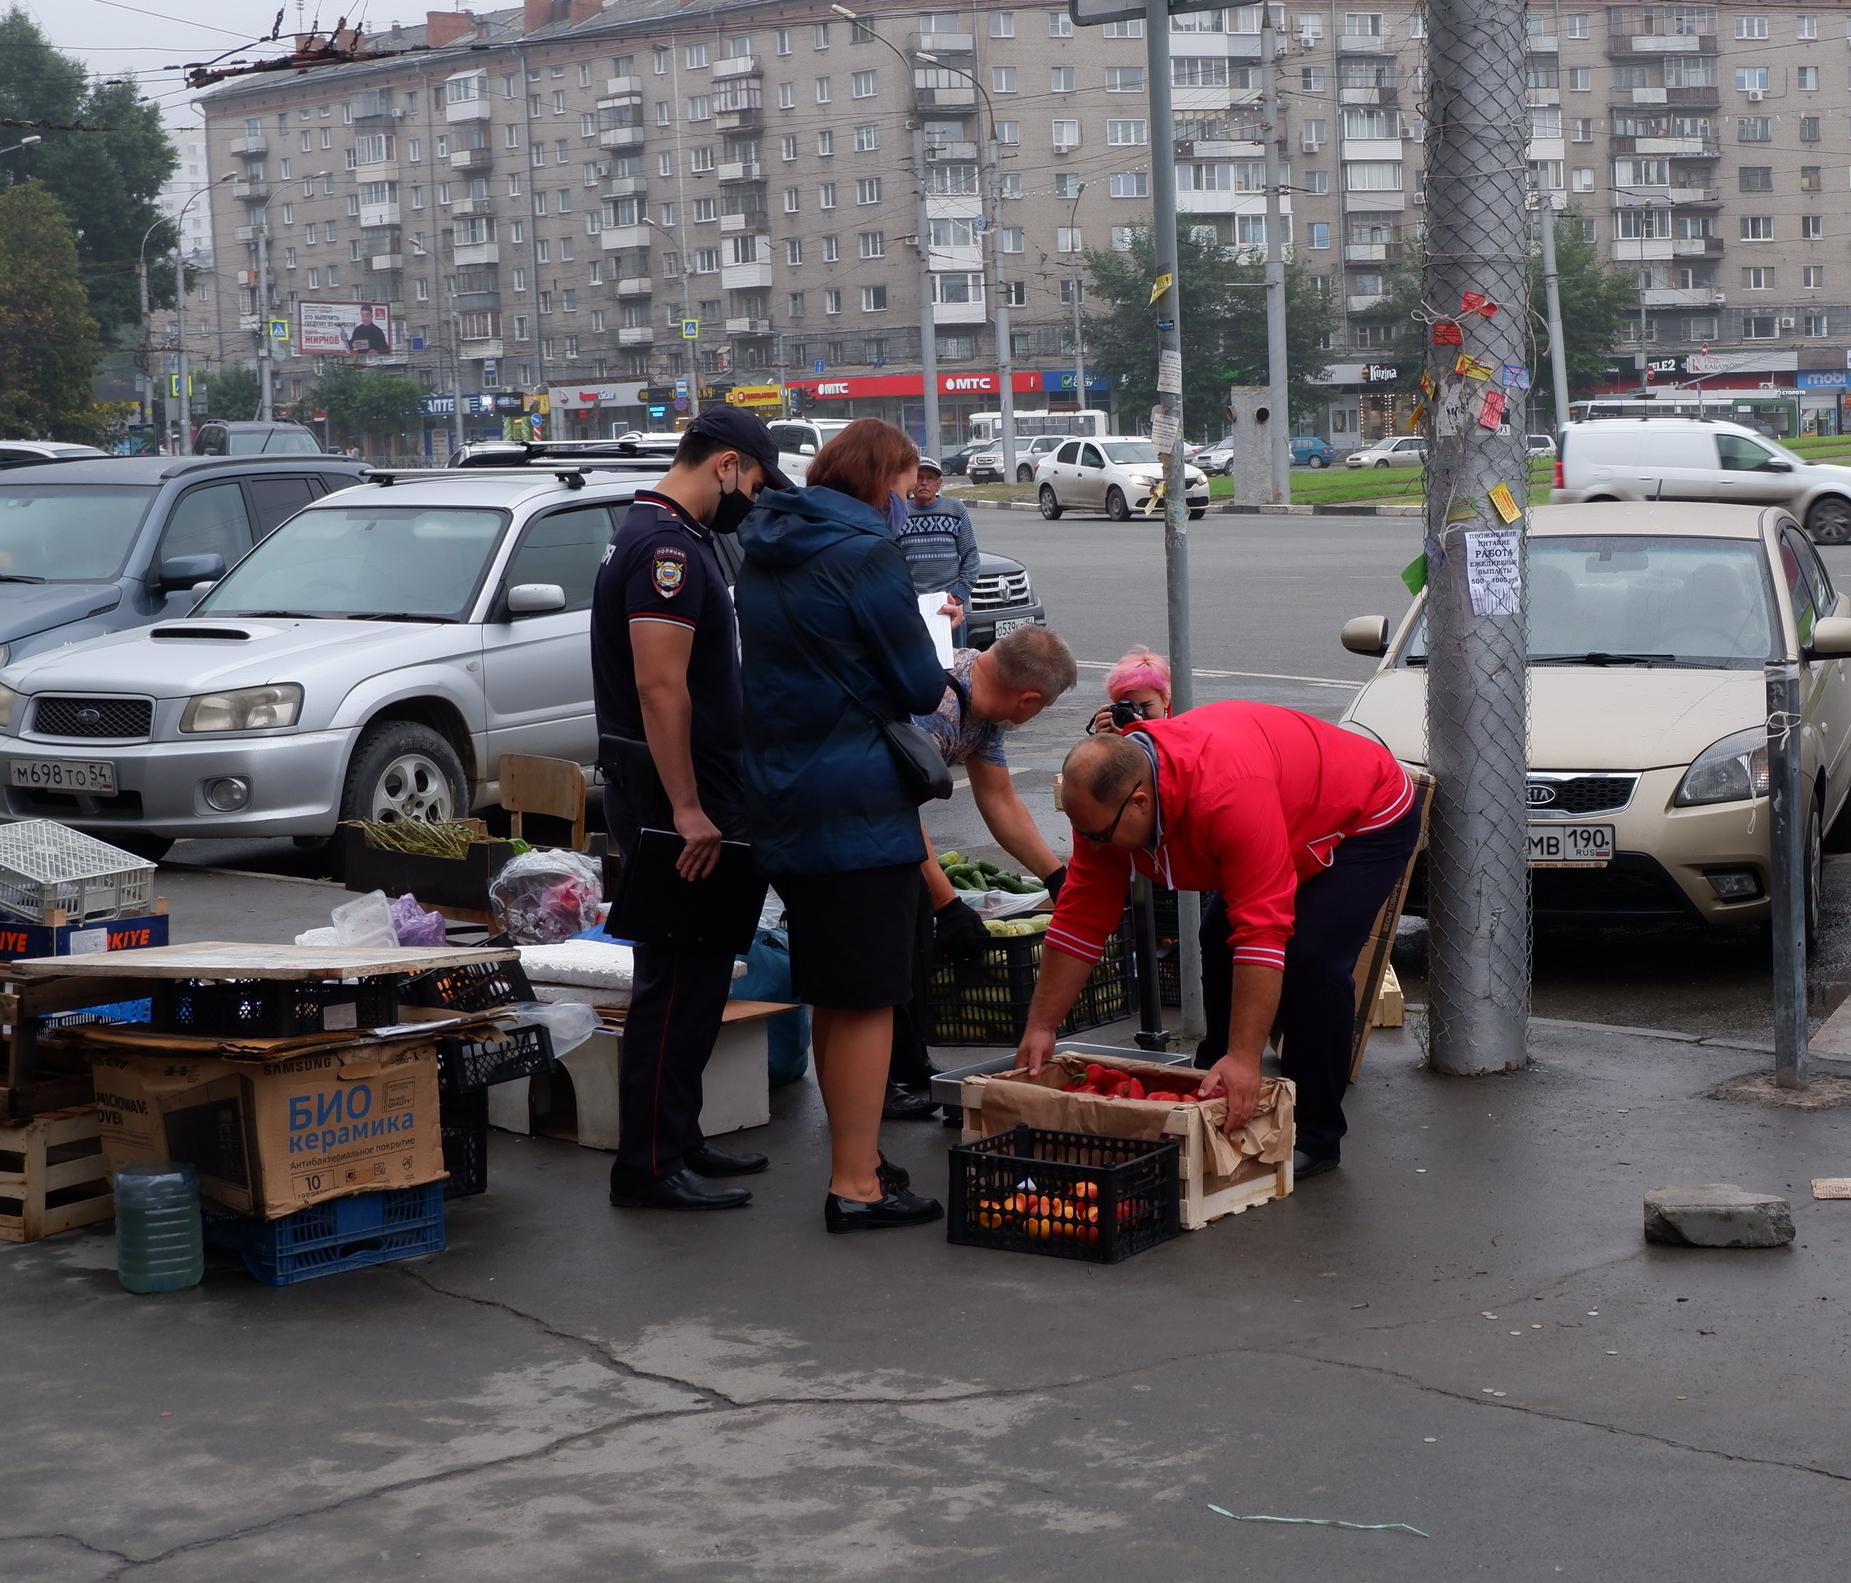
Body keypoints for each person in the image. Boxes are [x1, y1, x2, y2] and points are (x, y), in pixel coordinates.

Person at [1015, 702, 1420, 1180]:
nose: (1093, 844)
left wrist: (1248, 1058)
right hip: (1283, 807)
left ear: (1140, 802)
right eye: (1083, 832)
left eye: (1098, 835)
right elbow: (1081, 916)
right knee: (1217, 934)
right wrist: (1042, 1025)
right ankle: (1211, 1080)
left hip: (1363, 816)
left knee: (1311, 961)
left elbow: (1262, 933)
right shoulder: (1106, 809)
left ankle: (1315, 1131)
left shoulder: (1226, 796)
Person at [736, 418, 952, 1233]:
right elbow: (917, 681)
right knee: (867, 996)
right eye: (903, 485)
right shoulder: (865, 553)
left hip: (781, 791)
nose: (907, 501)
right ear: (878, 481)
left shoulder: (764, 547)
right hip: (857, 797)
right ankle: (856, 1181)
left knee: (832, 986)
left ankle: (853, 1156)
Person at [591, 406, 794, 1212]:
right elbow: (658, 684)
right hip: (679, 800)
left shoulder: (663, 532)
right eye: (755, 480)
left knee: (701, 974)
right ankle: (646, 1164)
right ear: (726, 464)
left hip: (696, 790)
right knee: (673, 983)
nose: (753, 497)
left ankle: (678, 1136)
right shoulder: (666, 547)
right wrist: (686, 807)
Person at [887, 627, 1081, 1114]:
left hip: (891, 824)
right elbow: (897, 809)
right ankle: (889, 1079)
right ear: (1029, 699)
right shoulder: (936, 703)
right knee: (897, 944)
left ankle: (909, 1067)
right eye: (1041, 709)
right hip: (856, 823)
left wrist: (1057, 877)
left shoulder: (986, 706)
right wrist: (946, 903)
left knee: (913, 938)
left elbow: (998, 799)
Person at [895, 457, 981, 633]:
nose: (924, 483)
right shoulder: (899, 512)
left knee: (953, 657)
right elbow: (890, 561)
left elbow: (970, 556)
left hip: (949, 603)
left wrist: (958, 596)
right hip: (912, 605)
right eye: (919, 477)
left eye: (931, 478)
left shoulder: (955, 509)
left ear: (939, 483)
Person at [1089, 646, 1173, 735]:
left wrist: (1141, 737)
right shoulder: (1115, 728)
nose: (1136, 714)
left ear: (1166, 698)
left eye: (1145, 706)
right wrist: (1103, 740)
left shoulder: (1180, 727)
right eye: (1129, 707)